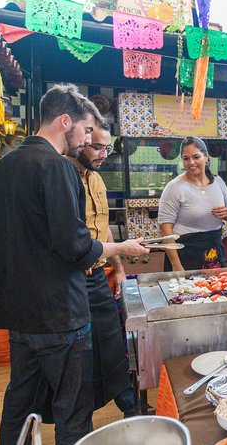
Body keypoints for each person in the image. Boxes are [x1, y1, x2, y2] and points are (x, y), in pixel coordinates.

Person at [0, 84, 149, 445]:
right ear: (64, 121)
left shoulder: (3, 167)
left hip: (19, 315)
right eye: (86, 131)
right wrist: (118, 248)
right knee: (73, 408)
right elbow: (75, 246)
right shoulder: (58, 168)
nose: (86, 140)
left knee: (20, 404)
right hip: (59, 313)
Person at [67, 121, 135, 417]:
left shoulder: (96, 178)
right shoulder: (63, 177)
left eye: (108, 148)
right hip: (72, 280)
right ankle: (80, 416)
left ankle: (130, 408)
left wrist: (118, 268)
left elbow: (103, 229)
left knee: (111, 343)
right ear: (79, 140)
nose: (104, 154)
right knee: (80, 352)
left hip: (97, 277)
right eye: (97, 147)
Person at [158, 136, 227, 271]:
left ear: (206, 157)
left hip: (213, 250)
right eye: (186, 158)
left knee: (215, 290)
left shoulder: (218, 182)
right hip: (185, 253)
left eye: (196, 157)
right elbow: (165, 230)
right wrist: (176, 265)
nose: (191, 162)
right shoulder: (174, 187)